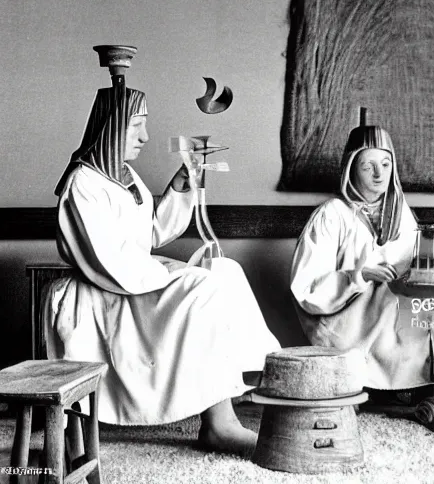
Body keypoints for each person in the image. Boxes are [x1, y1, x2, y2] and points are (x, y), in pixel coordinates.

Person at [48, 85, 280, 456]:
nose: (145, 136)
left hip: (139, 278)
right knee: (203, 290)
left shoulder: (125, 177)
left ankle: (266, 384)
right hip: (107, 291)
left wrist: (178, 189)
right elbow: (105, 260)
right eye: (135, 126)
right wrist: (170, 276)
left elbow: (150, 234)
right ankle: (219, 426)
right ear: (111, 128)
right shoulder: (83, 184)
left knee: (226, 271)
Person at [290, 125, 434, 423]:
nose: (379, 173)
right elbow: (307, 287)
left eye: (385, 164)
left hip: (390, 303)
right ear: (352, 169)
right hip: (346, 313)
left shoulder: (400, 213)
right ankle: (349, 393)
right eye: (368, 165)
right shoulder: (331, 214)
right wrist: (359, 275)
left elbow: (411, 267)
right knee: (400, 307)